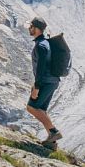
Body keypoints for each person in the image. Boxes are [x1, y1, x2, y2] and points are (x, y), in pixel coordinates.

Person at [25, 18, 62, 148]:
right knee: (41, 109)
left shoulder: (41, 46)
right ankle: (52, 143)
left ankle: (54, 132)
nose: (29, 28)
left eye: (31, 26)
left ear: (36, 28)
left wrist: (37, 87)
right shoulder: (45, 43)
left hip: (46, 82)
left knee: (31, 107)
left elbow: (41, 68)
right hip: (52, 81)